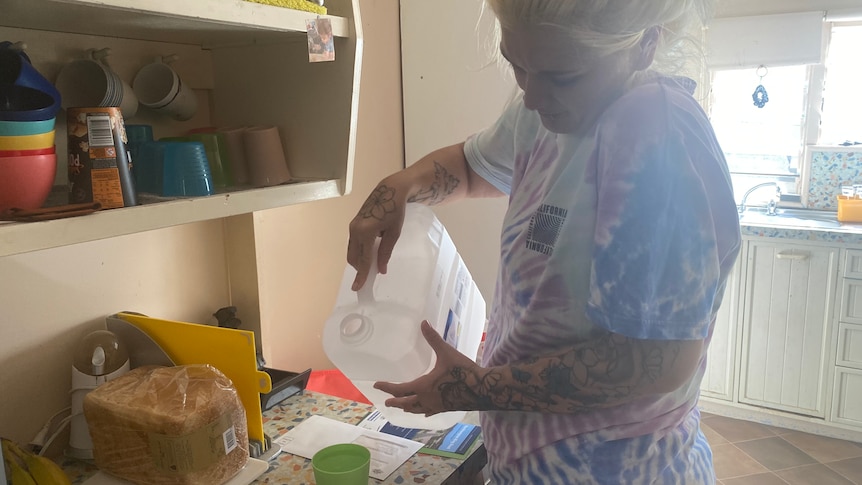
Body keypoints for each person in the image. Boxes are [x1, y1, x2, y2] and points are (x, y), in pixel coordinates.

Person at [346, 0, 740, 482]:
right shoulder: (548, 106)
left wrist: (480, 388)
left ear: (644, 45)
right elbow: (472, 168)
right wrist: (402, 184)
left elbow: (655, 361)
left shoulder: (654, 134)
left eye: (562, 75)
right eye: (518, 66)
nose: (532, 95)